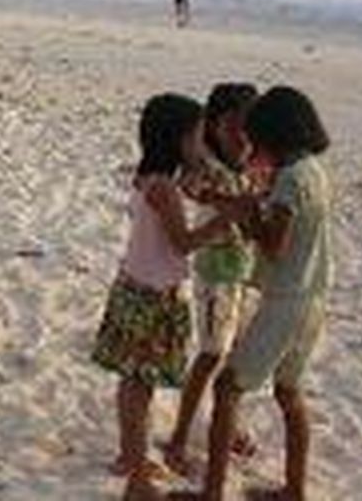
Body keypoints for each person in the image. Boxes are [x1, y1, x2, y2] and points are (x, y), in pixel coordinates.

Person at [171, 86, 332, 501]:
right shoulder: (314, 170)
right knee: (289, 392)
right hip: (314, 298)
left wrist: (244, 217)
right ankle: (294, 490)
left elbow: (273, 245)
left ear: (274, 134)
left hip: (285, 301)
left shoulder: (288, 180)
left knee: (227, 388)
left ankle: (212, 493)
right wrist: (238, 205)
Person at [92, 94, 242, 500]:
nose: (202, 146)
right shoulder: (165, 189)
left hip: (134, 285)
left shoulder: (149, 178)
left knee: (131, 383)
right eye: (197, 137)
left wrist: (204, 184)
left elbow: (170, 216)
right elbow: (183, 243)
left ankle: (132, 459)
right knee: (140, 388)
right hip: (155, 296)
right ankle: (137, 481)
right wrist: (225, 220)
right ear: (177, 140)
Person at [163, 83, 261, 476]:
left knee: (236, 356)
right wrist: (228, 202)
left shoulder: (253, 167)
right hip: (214, 274)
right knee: (209, 356)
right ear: (214, 128)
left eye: (247, 128)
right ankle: (178, 436)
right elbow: (190, 187)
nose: (241, 136)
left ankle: (229, 424)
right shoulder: (206, 168)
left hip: (245, 275)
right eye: (231, 127)